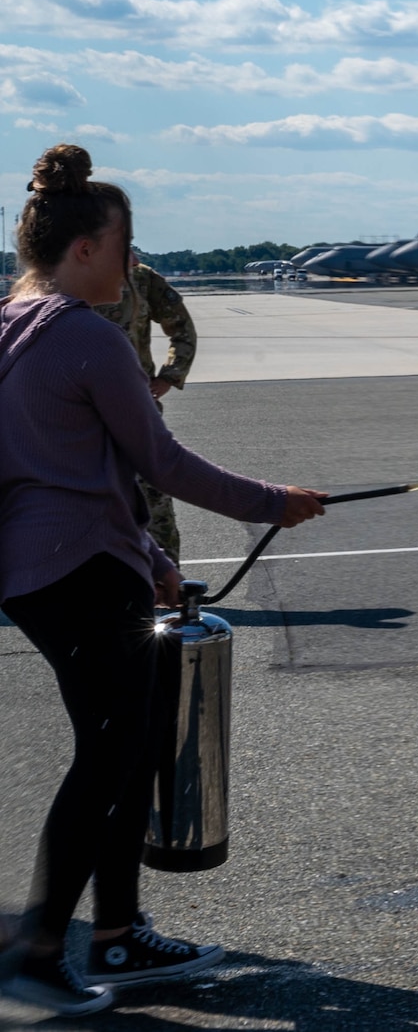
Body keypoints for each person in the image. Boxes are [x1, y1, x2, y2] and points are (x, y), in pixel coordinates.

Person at [0, 145, 325, 1017]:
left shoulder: (14, 321)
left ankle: (116, 931)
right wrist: (274, 502)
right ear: (83, 249)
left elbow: (78, 467)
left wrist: (150, 558)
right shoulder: (86, 335)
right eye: (125, 242)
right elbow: (160, 459)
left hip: (53, 567)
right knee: (108, 756)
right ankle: (35, 954)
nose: (132, 262)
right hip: (76, 572)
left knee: (130, 747)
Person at [94, 249, 198, 561]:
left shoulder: (141, 278)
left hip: (138, 414)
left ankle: (170, 586)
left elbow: (182, 328)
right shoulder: (55, 285)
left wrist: (169, 376)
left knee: (154, 506)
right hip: (78, 418)